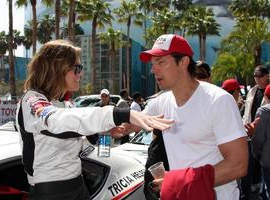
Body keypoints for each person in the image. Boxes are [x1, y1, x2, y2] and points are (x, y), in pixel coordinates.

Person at [15, 40, 174, 200]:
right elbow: (55, 122)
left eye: (81, 68)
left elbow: (76, 141)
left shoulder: (65, 103)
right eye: (77, 68)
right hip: (50, 192)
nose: (81, 74)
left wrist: (103, 133)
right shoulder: (32, 99)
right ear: (56, 68)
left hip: (78, 185)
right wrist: (118, 114)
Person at [120, 34, 248, 200]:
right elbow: (134, 123)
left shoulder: (218, 101)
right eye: (153, 64)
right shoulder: (162, 101)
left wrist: (178, 181)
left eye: (161, 62)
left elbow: (238, 165)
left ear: (183, 62)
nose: (153, 69)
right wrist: (116, 125)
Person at [241, 65, 270, 200]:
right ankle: (245, 193)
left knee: (266, 166)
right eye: (255, 76)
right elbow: (247, 112)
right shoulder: (252, 91)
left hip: (266, 136)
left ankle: (264, 193)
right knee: (248, 165)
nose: (257, 79)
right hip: (250, 133)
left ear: (267, 76)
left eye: (259, 76)